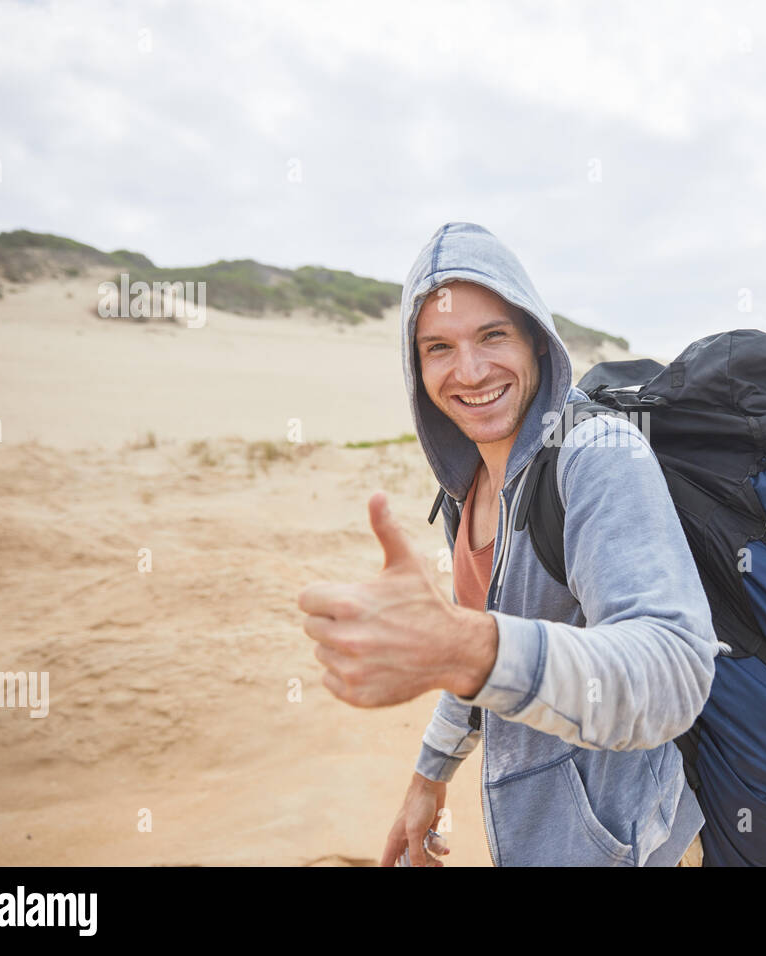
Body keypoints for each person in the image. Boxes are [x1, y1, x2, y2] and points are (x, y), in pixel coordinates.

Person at [297, 222, 716, 866]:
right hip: (537, 838)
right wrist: (428, 776)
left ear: (538, 345)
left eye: (492, 335)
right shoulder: (468, 488)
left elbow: (674, 675)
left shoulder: (599, 457)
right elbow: (481, 651)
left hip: (630, 845)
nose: (469, 371)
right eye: (438, 347)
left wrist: (462, 645)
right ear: (417, 369)